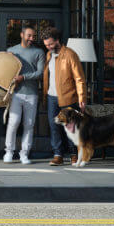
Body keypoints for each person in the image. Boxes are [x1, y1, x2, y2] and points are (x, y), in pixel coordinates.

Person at [0, 25, 45, 164]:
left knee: (29, 124)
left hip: (31, 94)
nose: (31, 38)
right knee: (13, 122)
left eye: (33, 36)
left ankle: (24, 154)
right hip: (15, 93)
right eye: (29, 35)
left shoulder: (39, 52)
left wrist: (23, 77)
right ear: (22, 35)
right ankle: (9, 152)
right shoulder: (11, 51)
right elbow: (2, 67)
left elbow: (40, 73)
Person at [42, 27, 87, 166]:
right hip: (51, 97)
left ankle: (74, 154)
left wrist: (82, 98)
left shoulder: (70, 54)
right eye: (46, 45)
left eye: (50, 44)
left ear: (57, 40)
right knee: (54, 126)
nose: (48, 47)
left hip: (68, 97)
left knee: (70, 127)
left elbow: (79, 78)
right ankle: (58, 155)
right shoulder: (49, 55)